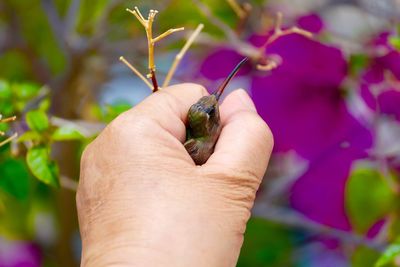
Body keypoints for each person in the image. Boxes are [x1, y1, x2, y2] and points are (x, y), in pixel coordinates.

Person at [77, 83, 273, 266]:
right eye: (212, 112)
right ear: (208, 122)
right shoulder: (194, 144)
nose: (216, 97)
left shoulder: (207, 132)